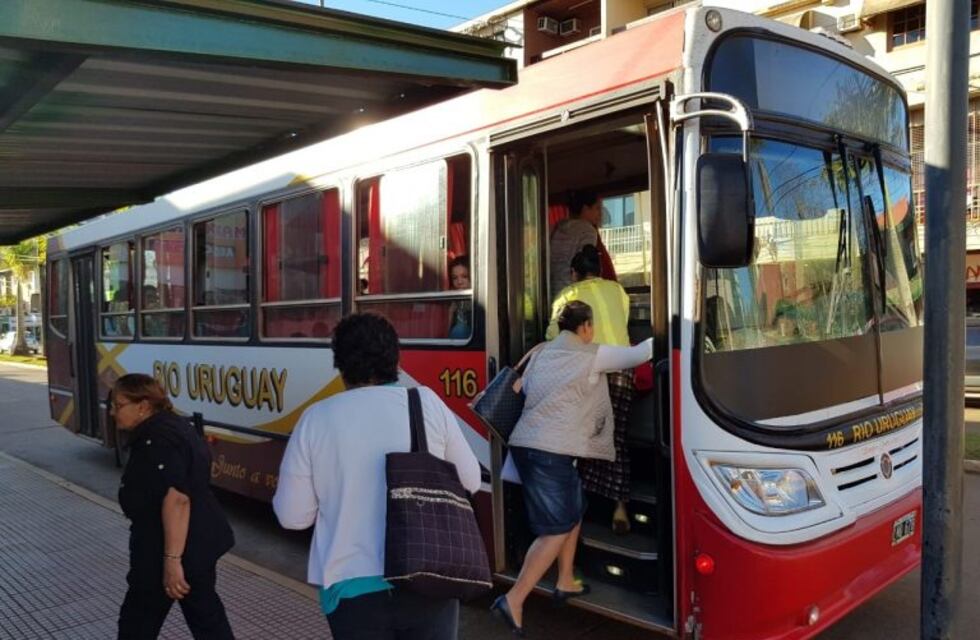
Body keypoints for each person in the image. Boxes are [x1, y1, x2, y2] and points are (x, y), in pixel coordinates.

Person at [273, 312, 481, 640]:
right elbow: (470, 481)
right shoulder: (426, 403)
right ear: (396, 359)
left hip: (352, 590)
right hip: (427, 576)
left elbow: (293, 517)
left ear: (340, 365)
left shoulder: (315, 419)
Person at [491, 301, 652, 636]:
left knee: (574, 510)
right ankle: (514, 599)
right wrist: (675, 326)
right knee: (555, 530)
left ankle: (565, 580)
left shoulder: (542, 352)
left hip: (528, 445)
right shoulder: (592, 354)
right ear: (586, 327)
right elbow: (640, 355)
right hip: (549, 453)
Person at [113, 374, 234, 640]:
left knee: (137, 624)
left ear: (143, 406)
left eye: (119, 405)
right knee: (207, 619)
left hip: (167, 550)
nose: (113, 412)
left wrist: (172, 561)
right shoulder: (173, 425)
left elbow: (178, 499)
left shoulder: (157, 439)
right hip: (196, 544)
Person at [547, 245, 634, 534]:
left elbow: (553, 336)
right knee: (616, 439)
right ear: (598, 271)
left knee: (580, 437)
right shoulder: (617, 291)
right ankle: (620, 508)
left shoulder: (567, 296)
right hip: (621, 367)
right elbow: (622, 320)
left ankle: (580, 507)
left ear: (574, 273)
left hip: (587, 371)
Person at [549, 190, 602, 297]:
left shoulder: (558, 228)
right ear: (585, 209)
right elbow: (585, 268)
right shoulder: (587, 230)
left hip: (554, 290)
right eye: (597, 208)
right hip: (574, 293)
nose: (600, 213)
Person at [447, 256, 472, 339]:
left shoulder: (478, 299)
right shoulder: (451, 299)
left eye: (464, 276)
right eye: (455, 278)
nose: (459, 282)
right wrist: (450, 312)